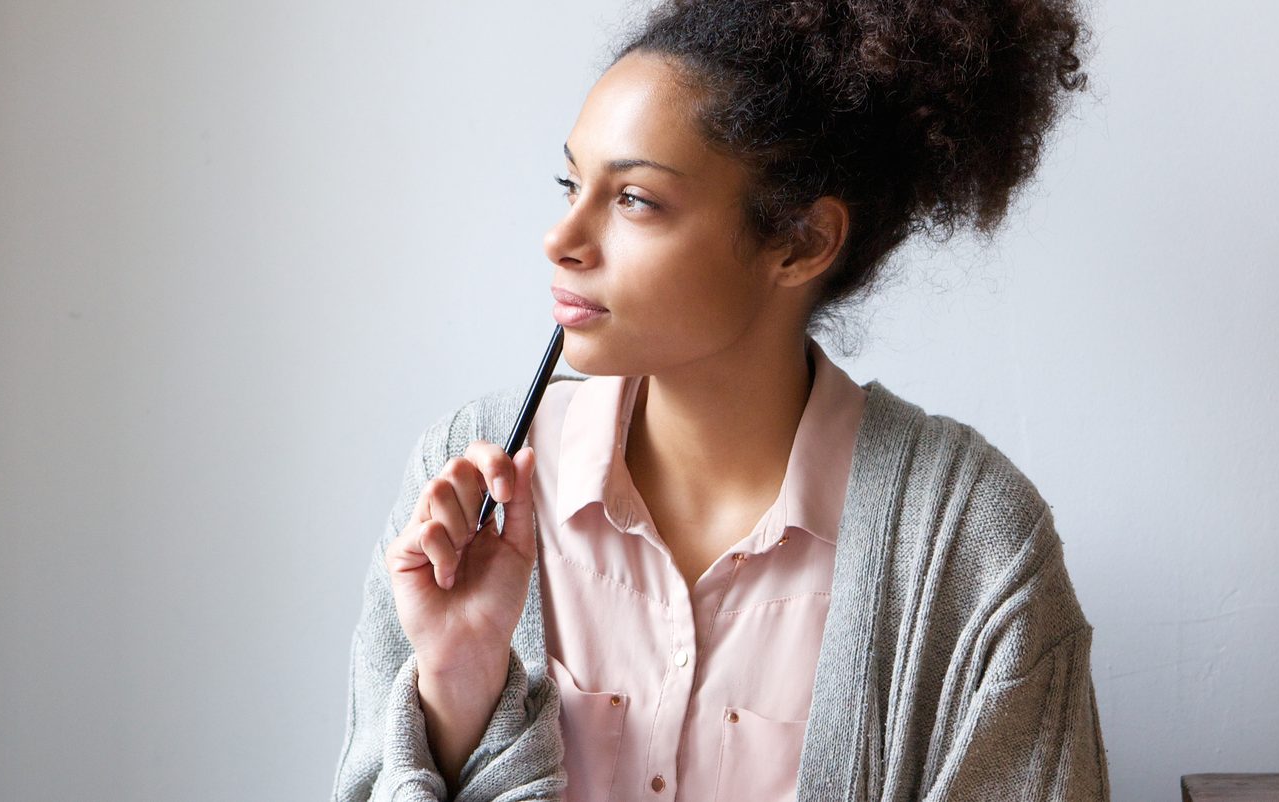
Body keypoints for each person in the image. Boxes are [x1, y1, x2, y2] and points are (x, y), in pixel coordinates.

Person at [329, 0, 1107, 800]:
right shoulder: (466, 482)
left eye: (634, 199)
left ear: (801, 243)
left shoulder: (971, 545)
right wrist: (461, 684)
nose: (561, 239)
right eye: (572, 183)